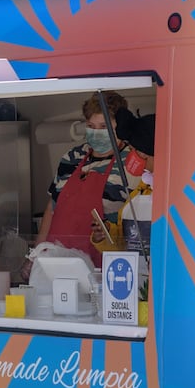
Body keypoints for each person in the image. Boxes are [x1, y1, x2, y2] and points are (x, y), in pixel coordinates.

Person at [34, 91, 148, 264]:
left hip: (104, 265)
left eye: (104, 127)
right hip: (56, 262)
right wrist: (36, 255)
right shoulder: (72, 157)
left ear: (120, 126)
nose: (96, 133)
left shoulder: (133, 162)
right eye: (91, 126)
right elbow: (52, 207)